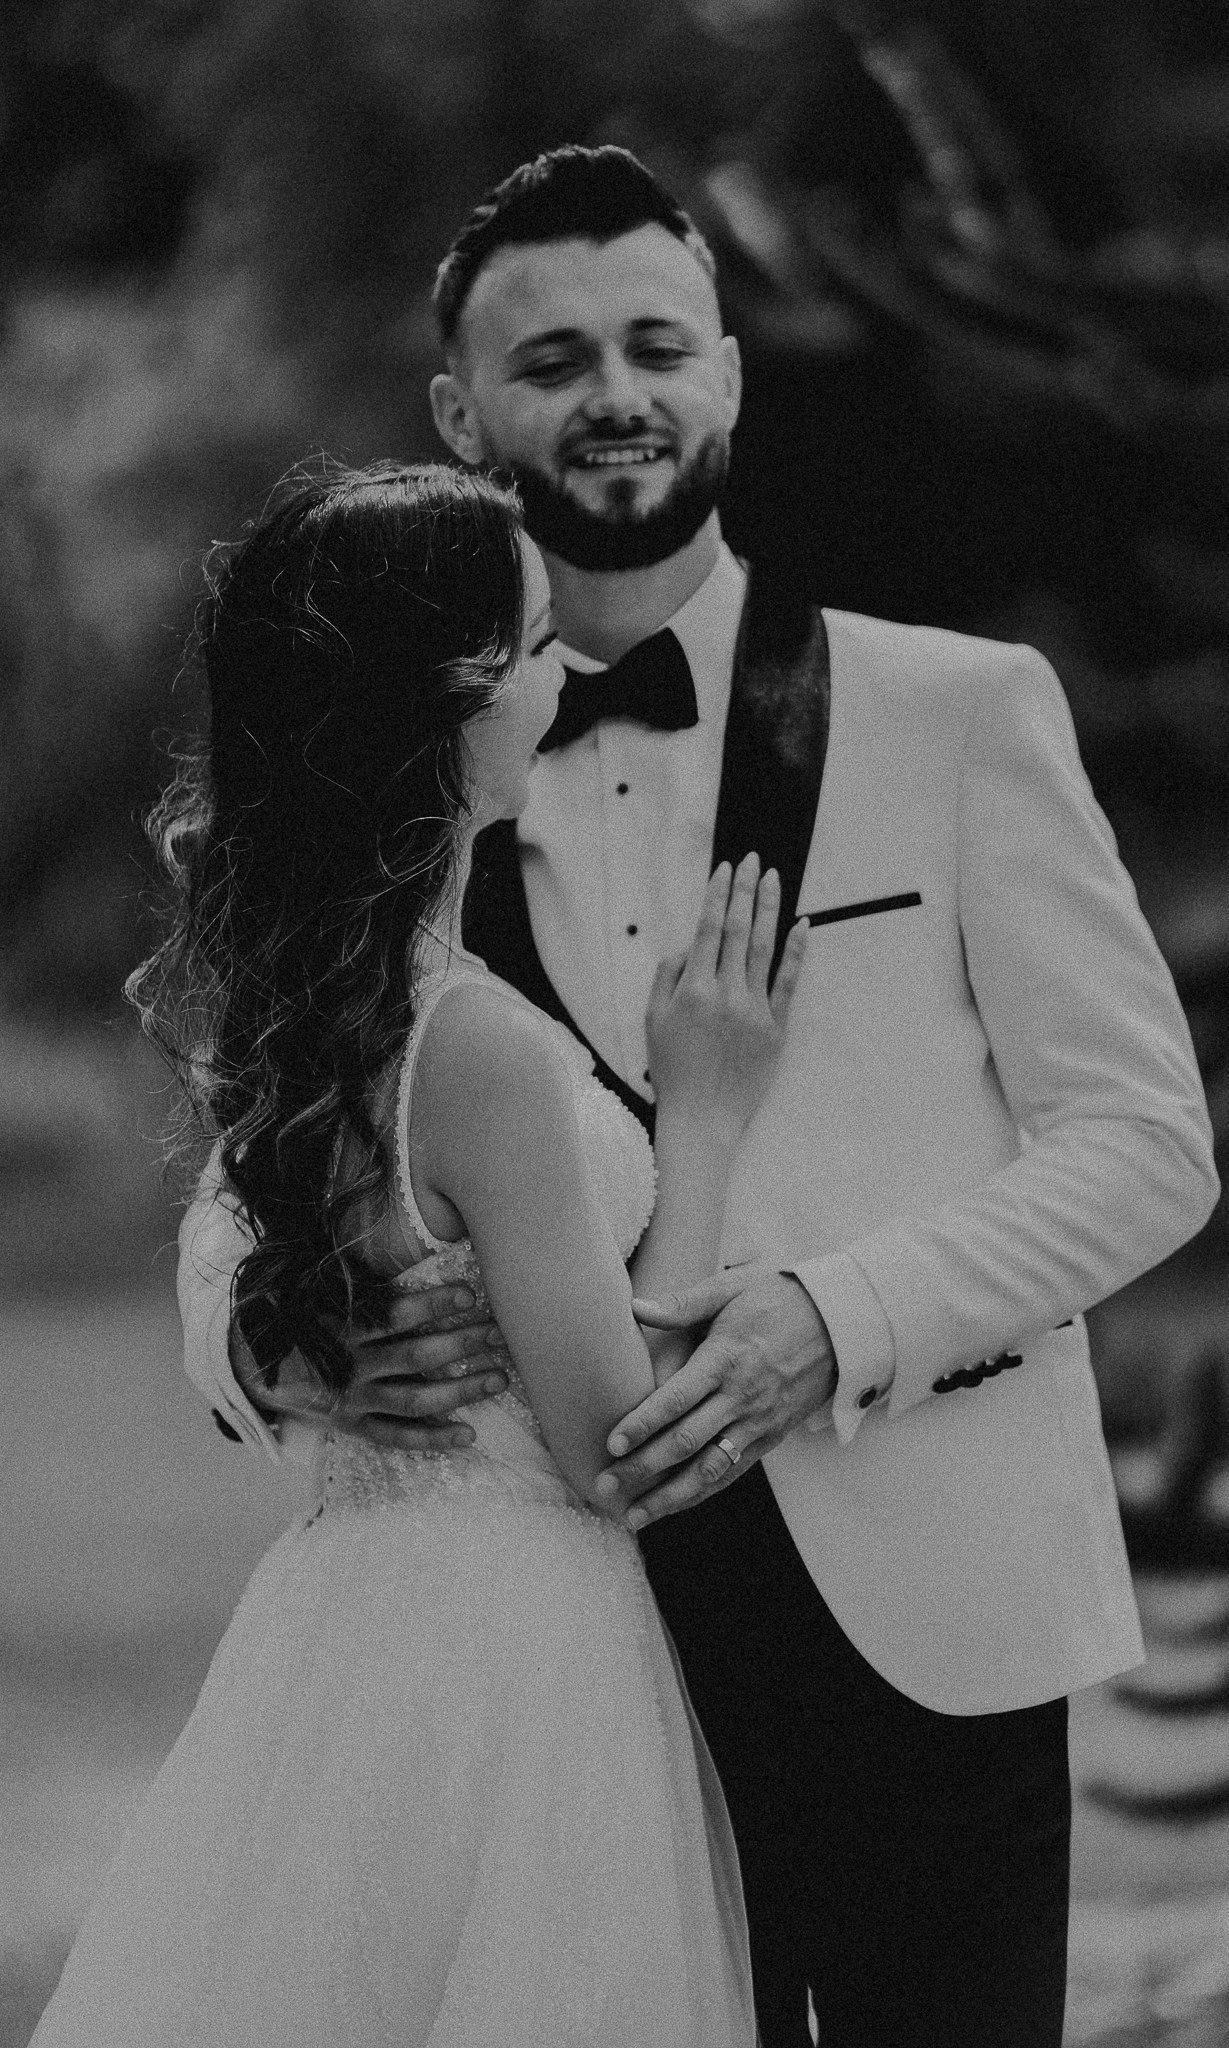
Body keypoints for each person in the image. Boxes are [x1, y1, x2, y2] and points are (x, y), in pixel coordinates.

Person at [179, 150, 1220, 2044]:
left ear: (728, 372)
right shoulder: (406, 780)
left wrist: (838, 1317)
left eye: (656, 346)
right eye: (552, 360)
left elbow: (1146, 1143)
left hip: (925, 1595)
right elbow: (271, 1127)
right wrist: (269, 1339)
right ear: (459, 414)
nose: (616, 396)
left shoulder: (959, 709)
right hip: (580, 1637)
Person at [32, 460, 815, 2046]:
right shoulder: (476, 1048)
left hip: (345, 1619)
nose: (564, 672)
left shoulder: (327, 1009)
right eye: (531, 646)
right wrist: (705, 1115)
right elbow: (616, 1447)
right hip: (513, 1647)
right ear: (447, 696)